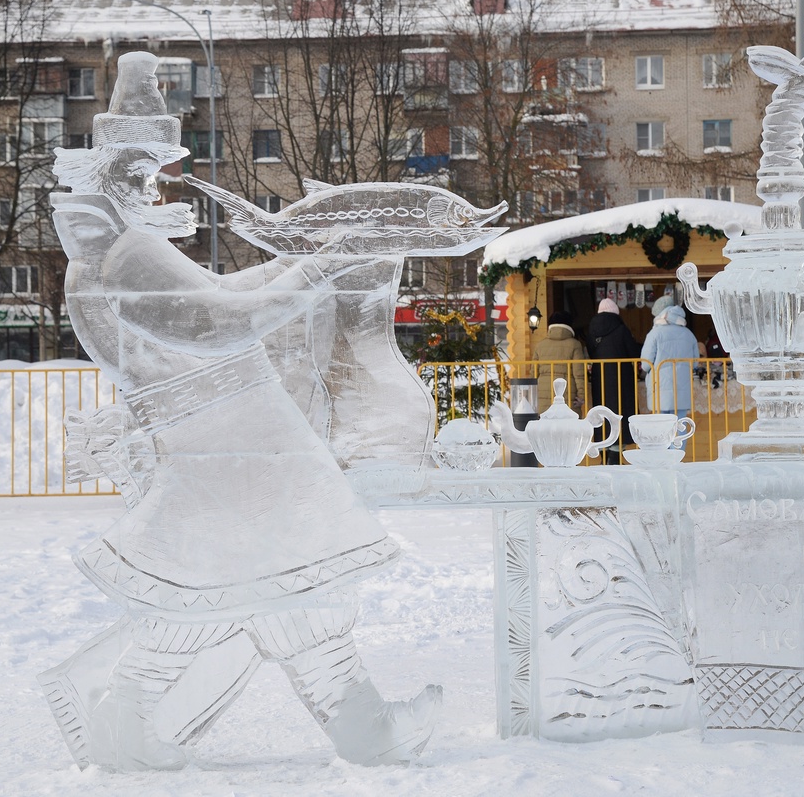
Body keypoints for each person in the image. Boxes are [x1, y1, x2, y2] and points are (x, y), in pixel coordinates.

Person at [41, 53, 440, 771]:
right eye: (148, 172)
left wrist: (305, 266)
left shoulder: (112, 254)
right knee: (265, 596)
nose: (159, 184)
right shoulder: (127, 253)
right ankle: (364, 730)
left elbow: (225, 297)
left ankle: (363, 729)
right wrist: (314, 270)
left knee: (270, 598)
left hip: (228, 447)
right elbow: (222, 324)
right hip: (231, 451)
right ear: (118, 176)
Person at [586, 297, 641, 463]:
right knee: (620, 414)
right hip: (621, 379)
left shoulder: (591, 330)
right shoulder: (621, 329)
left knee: (601, 415)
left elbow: (590, 352)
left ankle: (605, 456)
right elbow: (633, 351)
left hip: (599, 378)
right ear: (616, 312)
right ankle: (615, 457)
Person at [640, 304, 701, 420]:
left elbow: (646, 364)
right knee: (681, 425)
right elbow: (695, 363)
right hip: (682, 386)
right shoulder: (689, 334)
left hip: (659, 385)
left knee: (662, 426)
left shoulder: (655, 333)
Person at [533, 310, 587, 411]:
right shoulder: (575, 345)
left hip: (543, 394)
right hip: (566, 393)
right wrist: (581, 396)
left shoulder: (540, 345)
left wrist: (531, 396)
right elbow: (579, 374)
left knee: (545, 425)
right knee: (567, 425)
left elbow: (533, 373)